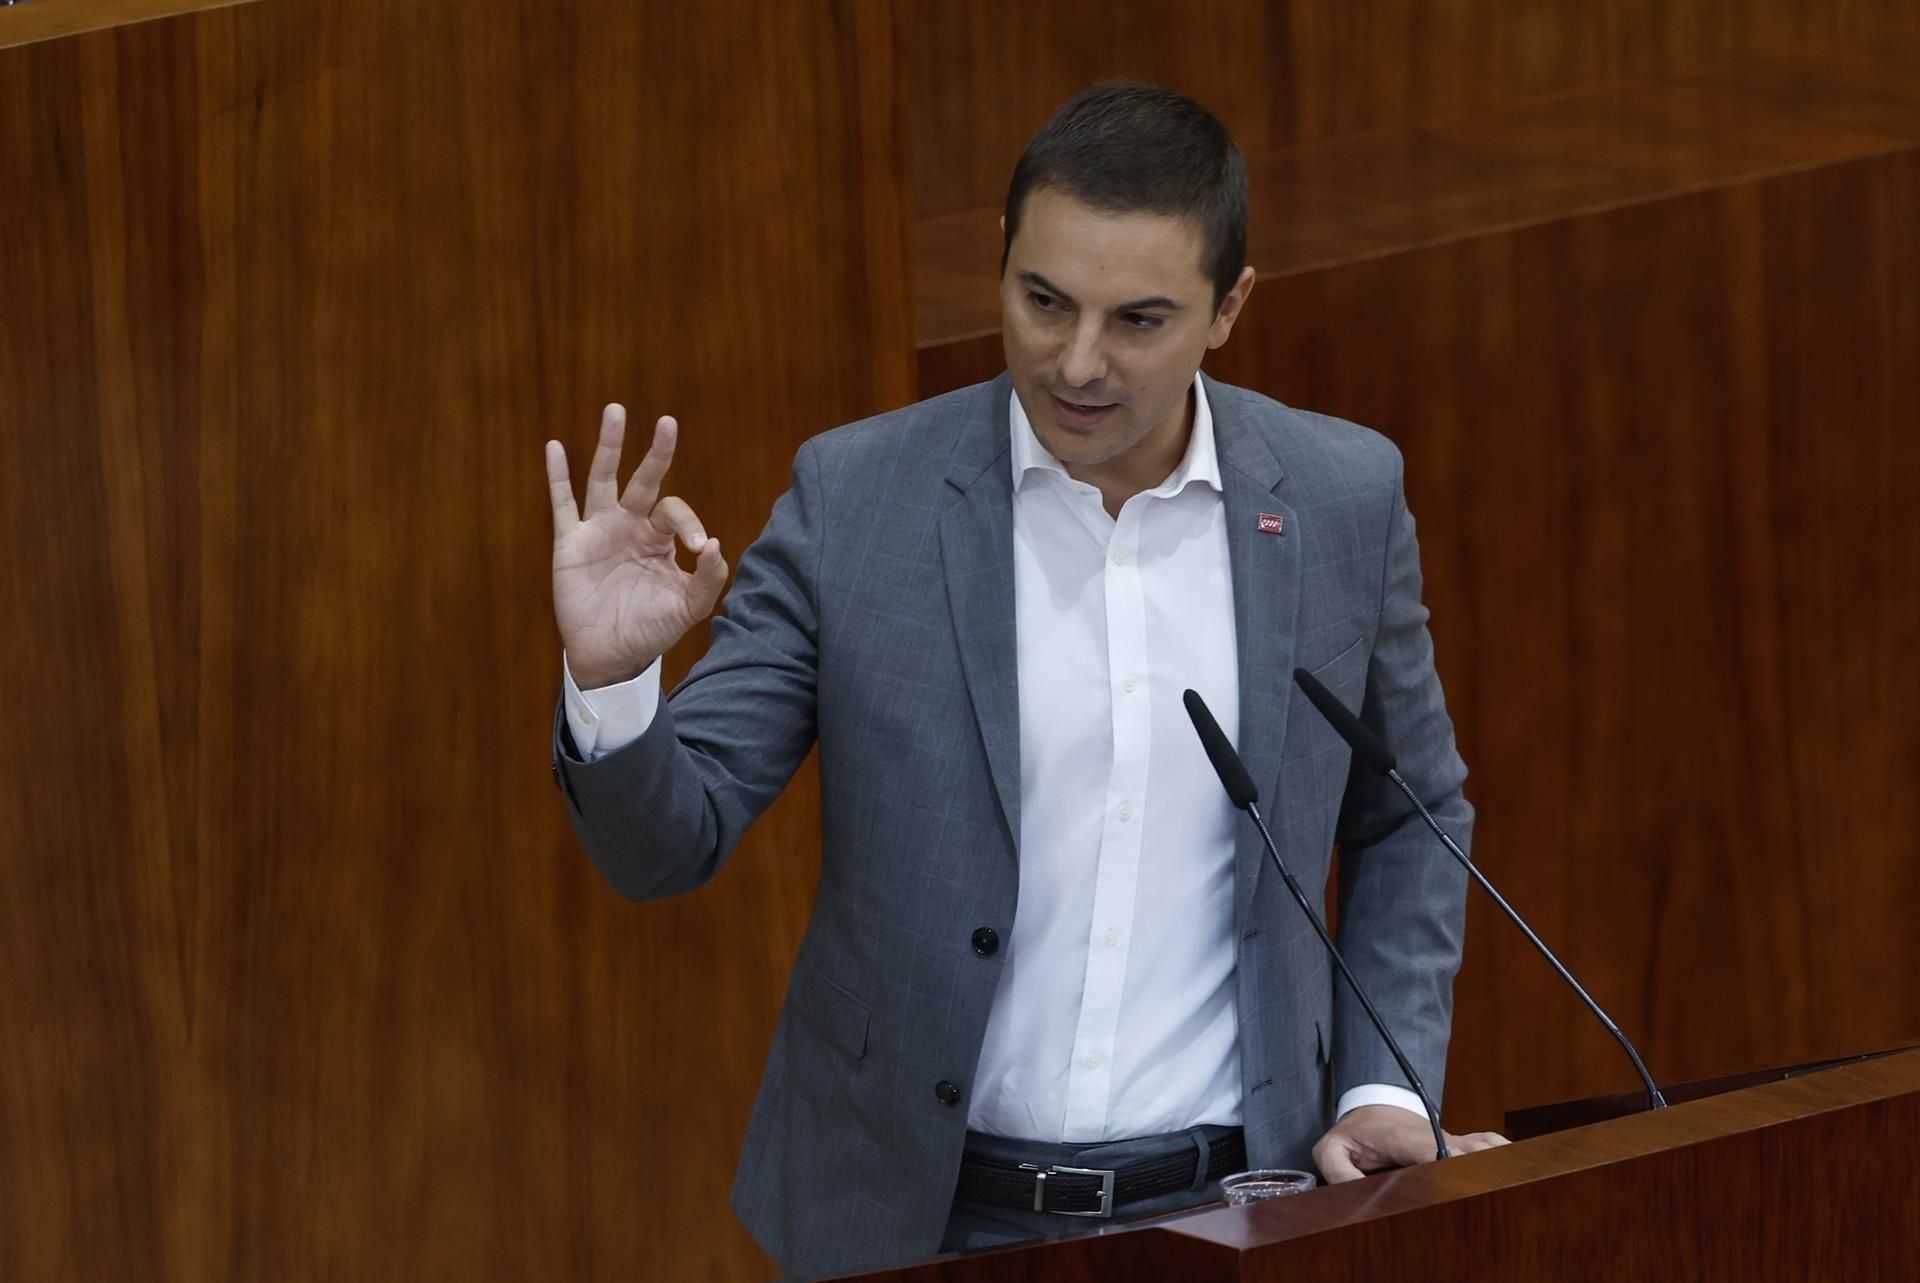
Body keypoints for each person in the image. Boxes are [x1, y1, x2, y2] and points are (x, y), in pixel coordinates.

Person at [544, 82, 1505, 1280]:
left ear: (1230, 308)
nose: (1076, 362)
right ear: (1000, 259)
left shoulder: (1338, 497)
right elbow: (663, 847)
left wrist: (1381, 1081)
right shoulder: (860, 499)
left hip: (1238, 1206)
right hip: (917, 1217)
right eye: (1042, 300)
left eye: (1139, 320)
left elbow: (1413, 818)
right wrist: (614, 680)